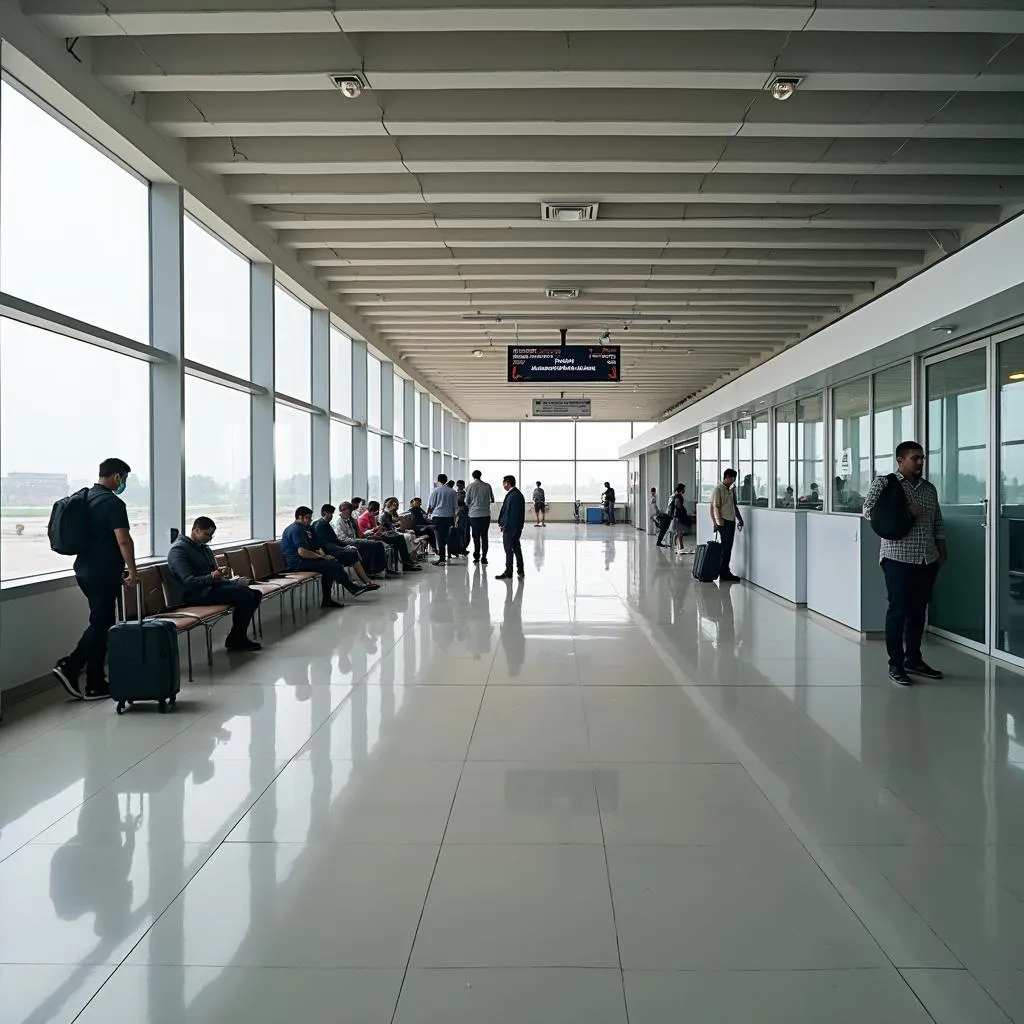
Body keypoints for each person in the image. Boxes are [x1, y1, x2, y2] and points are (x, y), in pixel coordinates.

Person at [863, 440, 947, 686]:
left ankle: (914, 659)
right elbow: (867, 510)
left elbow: (937, 521)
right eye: (915, 458)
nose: (920, 462)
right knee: (898, 611)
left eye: (922, 457)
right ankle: (896, 664)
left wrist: (942, 549)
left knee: (918, 612)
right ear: (900, 461)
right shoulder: (885, 483)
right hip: (897, 558)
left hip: (926, 558)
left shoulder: (929, 489)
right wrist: (905, 511)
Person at [53, 457, 138, 700]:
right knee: (101, 624)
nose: (124, 484)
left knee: (101, 623)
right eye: (125, 479)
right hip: (103, 571)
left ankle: (94, 680)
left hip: (84, 569)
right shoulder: (112, 503)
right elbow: (123, 540)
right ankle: (72, 668)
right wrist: (132, 569)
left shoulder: (86, 498)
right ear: (117, 477)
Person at [167, 516, 263, 651]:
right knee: (244, 596)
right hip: (196, 594)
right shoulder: (179, 551)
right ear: (196, 531)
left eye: (211, 536)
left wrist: (222, 577)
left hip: (212, 587)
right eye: (207, 534)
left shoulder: (204, 549)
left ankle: (237, 636)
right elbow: (188, 582)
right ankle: (237, 638)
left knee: (255, 594)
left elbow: (212, 573)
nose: (209, 539)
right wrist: (212, 577)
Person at [281, 506, 367, 609]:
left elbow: (314, 545)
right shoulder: (296, 530)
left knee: (330, 566)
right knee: (332, 565)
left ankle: (327, 600)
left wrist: (323, 555)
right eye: (308, 518)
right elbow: (302, 552)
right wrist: (321, 557)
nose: (310, 520)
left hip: (304, 560)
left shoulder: (304, 529)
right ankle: (351, 587)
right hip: (297, 563)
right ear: (300, 517)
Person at [312, 505, 380, 590]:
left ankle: (365, 580)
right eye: (330, 514)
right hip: (330, 550)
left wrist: (344, 546)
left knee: (353, 551)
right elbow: (327, 543)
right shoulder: (321, 525)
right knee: (352, 553)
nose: (331, 516)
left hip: (332, 547)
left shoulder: (322, 524)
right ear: (325, 513)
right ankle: (365, 580)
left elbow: (334, 541)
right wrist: (343, 547)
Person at [334, 502, 389, 575]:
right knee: (373, 545)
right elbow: (342, 538)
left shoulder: (349, 520)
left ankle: (380, 569)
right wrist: (358, 540)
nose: (350, 512)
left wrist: (368, 534)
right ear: (343, 510)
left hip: (354, 540)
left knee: (378, 544)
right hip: (346, 542)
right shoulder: (339, 521)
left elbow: (359, 534)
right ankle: (373, 570)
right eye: (349, 510)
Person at [710, 469, 744, 581]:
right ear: (727, 477)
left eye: (734, 479)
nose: (733, 481)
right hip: (723, 522)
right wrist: (717, 522)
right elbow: (715, 507)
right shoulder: (718, 489)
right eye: (732, 478)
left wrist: (739, 519)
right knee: (726, 547)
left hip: (731, 521)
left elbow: (734, 506)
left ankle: (724, 570)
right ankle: (724, 572)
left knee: (728, 547)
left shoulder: (731, 490)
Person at [379, 497, 425, 569]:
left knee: (406, 537)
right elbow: (389, 527)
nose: (395, 507)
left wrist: (398, 526)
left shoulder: (390, 513)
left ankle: (409, 560)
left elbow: (396, 525)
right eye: (393, 505)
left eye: (396, 505)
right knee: (405, 537)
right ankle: (408, 561)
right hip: (388, 533)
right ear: (389, 505)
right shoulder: (385, 514)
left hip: (392, 532)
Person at [496, 473, 526, 580]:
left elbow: (511, 514)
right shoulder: (515, 494)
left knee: (509, 549)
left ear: (508, 483)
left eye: (504, 483)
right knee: (516, 547)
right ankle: (520, 570)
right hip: (515, 527)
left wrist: (505, 525)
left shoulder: (514, 495)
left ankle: (509, 571)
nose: (503, 485)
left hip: (511, 527)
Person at [427, 472, 459, 566]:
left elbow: (431, 505)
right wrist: (455, 519)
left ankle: (441, 559)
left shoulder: (435, 491)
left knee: (440, 538)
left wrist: (428, 514)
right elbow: (455, 507)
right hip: (449, 517)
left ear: (438, 480)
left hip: (438, 517)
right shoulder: (452, 492)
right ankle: (448, 555)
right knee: (448, 537)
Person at [466, 469, 495, 564]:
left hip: (474, 515)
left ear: (473, 476)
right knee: (484, 536)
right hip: (485, 514)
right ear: (480, 475)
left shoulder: (470, 486)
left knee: (476, 536)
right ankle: (484, 557)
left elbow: (467, 501)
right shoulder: (487, 486)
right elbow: (492, 499)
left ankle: (477, 556)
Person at [670, 483, 692, 553]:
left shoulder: (677, 495)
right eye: (684, 489)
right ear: (681, 489)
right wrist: (681, 510)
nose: (684, 490)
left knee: (678, 532)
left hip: (677, 516)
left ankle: (678, 547)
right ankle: (680, 548)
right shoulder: (678, 496)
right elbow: (677, 505)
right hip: (678, 517)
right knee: (679, 533)